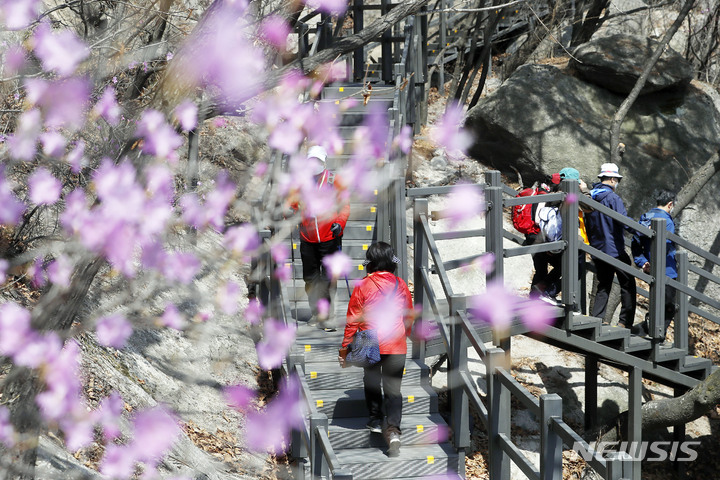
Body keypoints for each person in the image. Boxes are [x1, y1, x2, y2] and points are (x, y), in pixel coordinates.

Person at [338, 242, 414, 458]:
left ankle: (374, 419)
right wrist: (403, 334)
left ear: (369, 262)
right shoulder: (400, 284)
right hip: (396, 343)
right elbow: (408, 315)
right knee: (393, 389)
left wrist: (345, 348)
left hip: (370, 342)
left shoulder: (362, 285)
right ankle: (393, 432)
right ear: (391, 261)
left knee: (371, 381)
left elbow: (352, 321)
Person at [293, 145, 350, 331]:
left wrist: (340, 223)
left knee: (326, 279)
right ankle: (315, 313)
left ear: (324, 162)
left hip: (329, 237)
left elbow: (345, 205)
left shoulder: (335, 180)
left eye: (317, 161)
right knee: (310, 278)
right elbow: (292, 204)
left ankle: (327, 316)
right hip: (307, 238)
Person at [585, 163, 637, 328]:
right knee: (628, 284)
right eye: (617, 180)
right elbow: (624, 221)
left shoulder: (590, 197)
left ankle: (597, 318)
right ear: (613, 179)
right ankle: (625, 322)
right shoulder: (613, 198)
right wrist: (642, 231)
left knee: (604, 284)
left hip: (597, 248)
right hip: (614, 249)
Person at [631, 190, 677, 343]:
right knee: (669, 306)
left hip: (651, 268)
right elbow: (664, 246)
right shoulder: (667, 221)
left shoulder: (645, 217)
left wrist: (643, 262)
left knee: (659, 300)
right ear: (670, 204)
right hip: (667, 270)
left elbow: (635, 243)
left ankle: (650, 330)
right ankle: (656, 335)